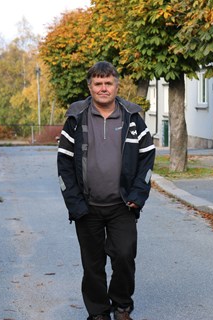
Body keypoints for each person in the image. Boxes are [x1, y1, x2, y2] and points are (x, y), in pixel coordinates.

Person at [57, 61, 155, 320]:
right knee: (93, 266)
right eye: (98, 83)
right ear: (90, 87)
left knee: (124, 257)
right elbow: (64, 164)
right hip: (87, 207)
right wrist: (74, 204)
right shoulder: (76, 119)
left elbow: (147, 157)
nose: (103, 88)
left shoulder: (132, 118)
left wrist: (138, 195)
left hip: (123, 205)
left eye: (108, 83)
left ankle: (122, 306)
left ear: (116, 85)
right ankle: (98, 313)